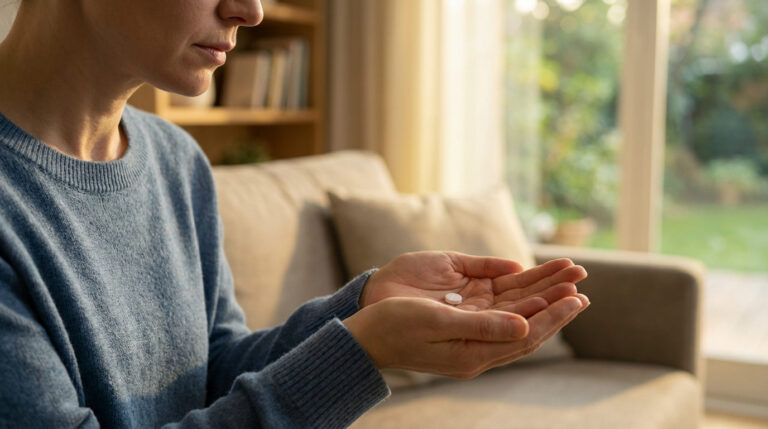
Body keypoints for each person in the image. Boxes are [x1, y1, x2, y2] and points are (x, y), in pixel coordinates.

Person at [0, 0, 590, 427]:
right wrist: (360, 354)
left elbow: (217, 371)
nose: (251, 10)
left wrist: (362, 308)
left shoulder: (175, 160)